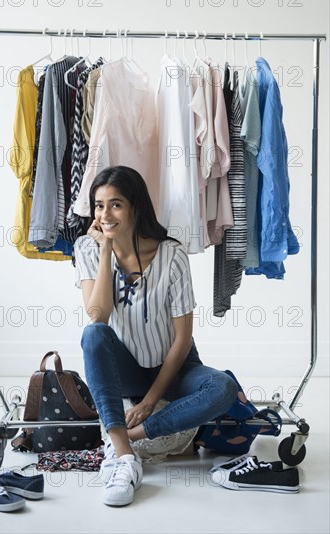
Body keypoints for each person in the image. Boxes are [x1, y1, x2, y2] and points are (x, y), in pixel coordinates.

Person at [74, 165, 237, 507]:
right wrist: (105, 251)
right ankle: (124, 457)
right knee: (94, 336)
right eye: (99, 205)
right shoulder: (87, 249)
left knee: (222, 387)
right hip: (127, 369)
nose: (105, 214)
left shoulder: (172, 254)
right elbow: (98, 315)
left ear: (135, 206)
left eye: (115, 204)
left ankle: (126, 436)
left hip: (176, 366)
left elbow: (182, 339)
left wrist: (150, 403)